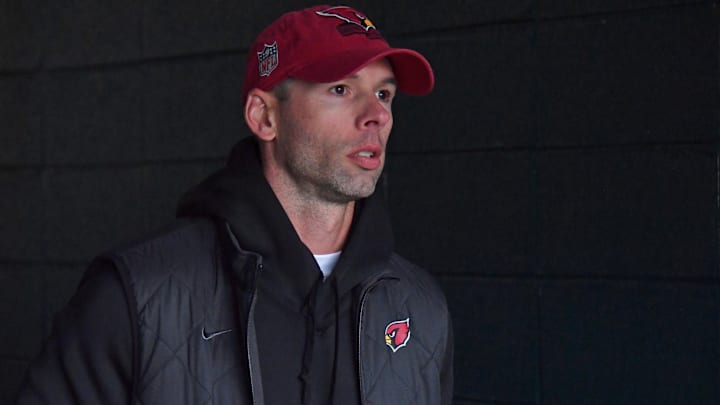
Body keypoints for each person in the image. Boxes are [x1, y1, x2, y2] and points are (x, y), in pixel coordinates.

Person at [16, 4, 453, 405]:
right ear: (264, 117)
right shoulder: (138, 294)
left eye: (384, 94)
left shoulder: (418, 306)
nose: (375, 116)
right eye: (340, 89)